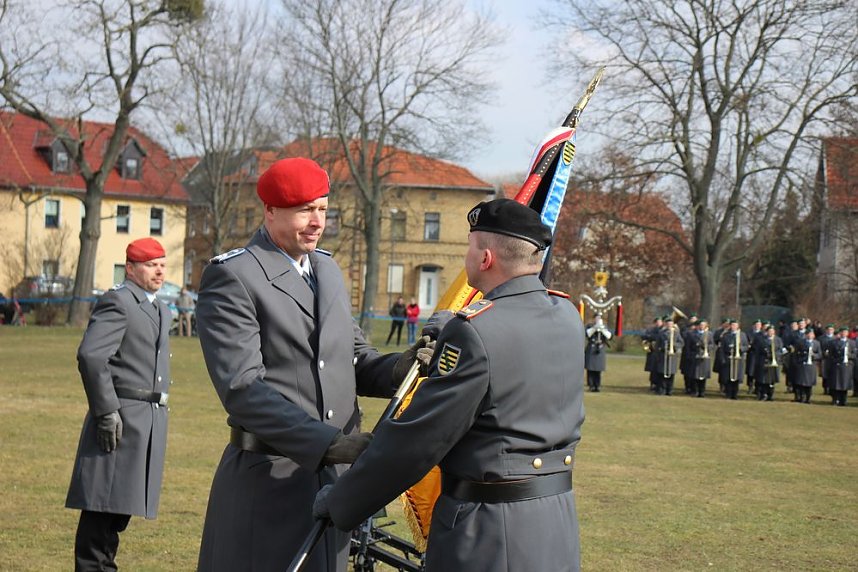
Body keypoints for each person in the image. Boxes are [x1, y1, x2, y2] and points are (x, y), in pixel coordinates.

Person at [314, 198, 585, 571]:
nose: (466, 257)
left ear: (486, 258)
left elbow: (418, 440)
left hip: (488, 529)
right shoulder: (568, 315)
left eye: (469, 247)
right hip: (554, 519)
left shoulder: (474, 331)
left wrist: (341, 502)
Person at [194, 158, 431, 572]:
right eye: (304, 210)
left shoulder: (327, 269)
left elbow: (352, 358)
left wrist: (400, 369)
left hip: (335, 484)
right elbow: (244, 389)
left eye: (323, 208)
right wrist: (329, 443)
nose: (317, 221)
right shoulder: (235, 276)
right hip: (270, 482)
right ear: (270, 210)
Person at [65, 237, 172, 571]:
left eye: (162, 264)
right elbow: (92, 356)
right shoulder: (119, 301)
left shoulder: (160, 307)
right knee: (100, 519)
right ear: (130, 268)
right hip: (120, 421)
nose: (159, 270)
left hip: (145, 424)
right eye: (151, 264)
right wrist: (106, 409)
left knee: (116, 516)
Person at [585, 313, 612, 391]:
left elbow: (609, 336)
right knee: (590, 369)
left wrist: (602, 329)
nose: (598, 320)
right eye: (596, 318)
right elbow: (587, 334)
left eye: (599, 318)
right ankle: (591, 385)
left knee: (598, 369)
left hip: (600, 349)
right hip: (591, 348)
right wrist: (595, 328)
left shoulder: (604, 327)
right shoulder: (590, 326)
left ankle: (597, 385)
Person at [828, 327, 855, 406]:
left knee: (845, 384)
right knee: (837, 383)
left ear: (847, 333)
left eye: (845, 332)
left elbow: (855, 354)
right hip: (837, 365)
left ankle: (844, 400)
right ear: (840, 333)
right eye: (842, 332)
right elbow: (831, 355)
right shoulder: (834, 342)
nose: (843, 333)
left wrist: (848, 355)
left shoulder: (852, 343)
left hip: (847, 366)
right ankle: (836, 399)